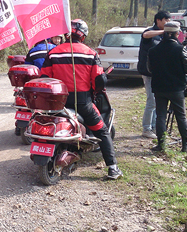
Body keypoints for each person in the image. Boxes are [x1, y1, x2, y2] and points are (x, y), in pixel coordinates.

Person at [41, 19, 123, 180]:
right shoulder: (91, 53)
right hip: (83, 103)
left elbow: (44, 77)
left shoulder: (53, 53)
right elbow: (99, 81)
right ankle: (113, 168)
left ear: (67, 33)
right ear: (83, 36)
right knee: (102, 131)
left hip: (59, 103)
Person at [147, 21, 187, 152]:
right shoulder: (181, 49)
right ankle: (185, 146)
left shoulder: (153, 50)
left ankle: (161, 144)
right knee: (181, 117)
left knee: (160, 116)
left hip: (159, 88)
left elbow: (150, 69)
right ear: (177, 33)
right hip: (177, 88)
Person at [137, 10, 171, 139]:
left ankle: (155, 127)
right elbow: (145, 35)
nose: (168, 23)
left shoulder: (165, 36)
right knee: (151, 101)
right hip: (148, 72)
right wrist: (163, 31)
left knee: (159, 101)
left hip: (160, 73)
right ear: (159, 20)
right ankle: (146, 129)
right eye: (166, 21)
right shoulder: (151, 33)